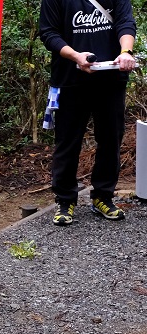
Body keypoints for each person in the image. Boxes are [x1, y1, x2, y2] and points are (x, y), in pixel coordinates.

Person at [39, 0, 136, 226]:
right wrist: (75, 56)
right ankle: (65, 201)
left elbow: (125, 22)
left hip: (111, 79)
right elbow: (49, 33)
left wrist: (125, 52)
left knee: (111, 139)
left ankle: (103, 196)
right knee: (67, 142)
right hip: (70, 80)